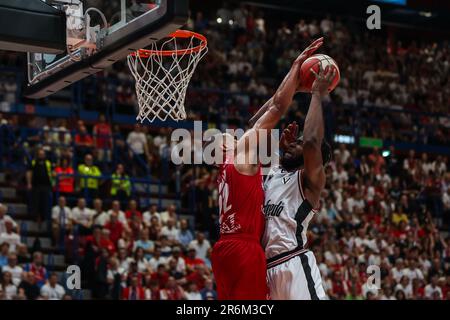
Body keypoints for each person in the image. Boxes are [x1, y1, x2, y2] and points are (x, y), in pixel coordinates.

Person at [210, 38, 324, 300]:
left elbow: (256, 122)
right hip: (245, 249)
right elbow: (275, 108)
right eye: (229, 136)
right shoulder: (241, 154)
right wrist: (296, 69)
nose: (235, 134)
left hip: (223, 249)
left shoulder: (228, 169)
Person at [251, 50, 334, 299]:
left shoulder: (310, 181)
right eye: (293, 142)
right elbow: (255, 126)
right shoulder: (274, 171)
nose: (294, 143)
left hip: (293, 263)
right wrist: (293, 86)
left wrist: (317, 94)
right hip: (264, 271)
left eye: (296, 145)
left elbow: (310, 142)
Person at [26, 148, 53, 224]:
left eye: (43, 154)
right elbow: (29, 172)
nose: (41, 155)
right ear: (37, 155)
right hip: (36, 186)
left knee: (45, 202)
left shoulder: (48, 163)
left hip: (46, 186)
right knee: (36, 202)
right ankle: (35, 217)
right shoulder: (34, 162)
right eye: (40, 154)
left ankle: (44, 218)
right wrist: (29, 183)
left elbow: (51, 173)